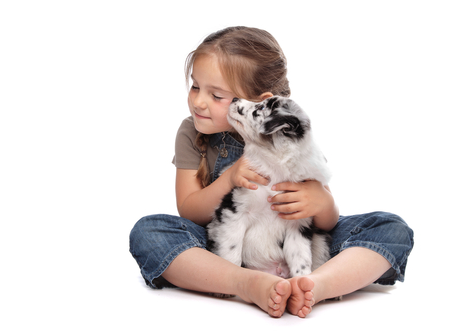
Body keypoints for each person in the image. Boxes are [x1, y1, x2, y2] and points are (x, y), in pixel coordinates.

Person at [129, 26, 414, 318]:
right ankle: (243, 281)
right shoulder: (191, 132)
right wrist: (228, 178)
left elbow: (326, 224)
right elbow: (189, 211)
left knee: (390, 228)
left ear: (262, 102)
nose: (199, 102)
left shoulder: (289, 134)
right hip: (227, 247)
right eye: (195, 86)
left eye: (216, 95)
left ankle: (314, 285)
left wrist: (323, 203)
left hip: (303, 247)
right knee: (150, 232)